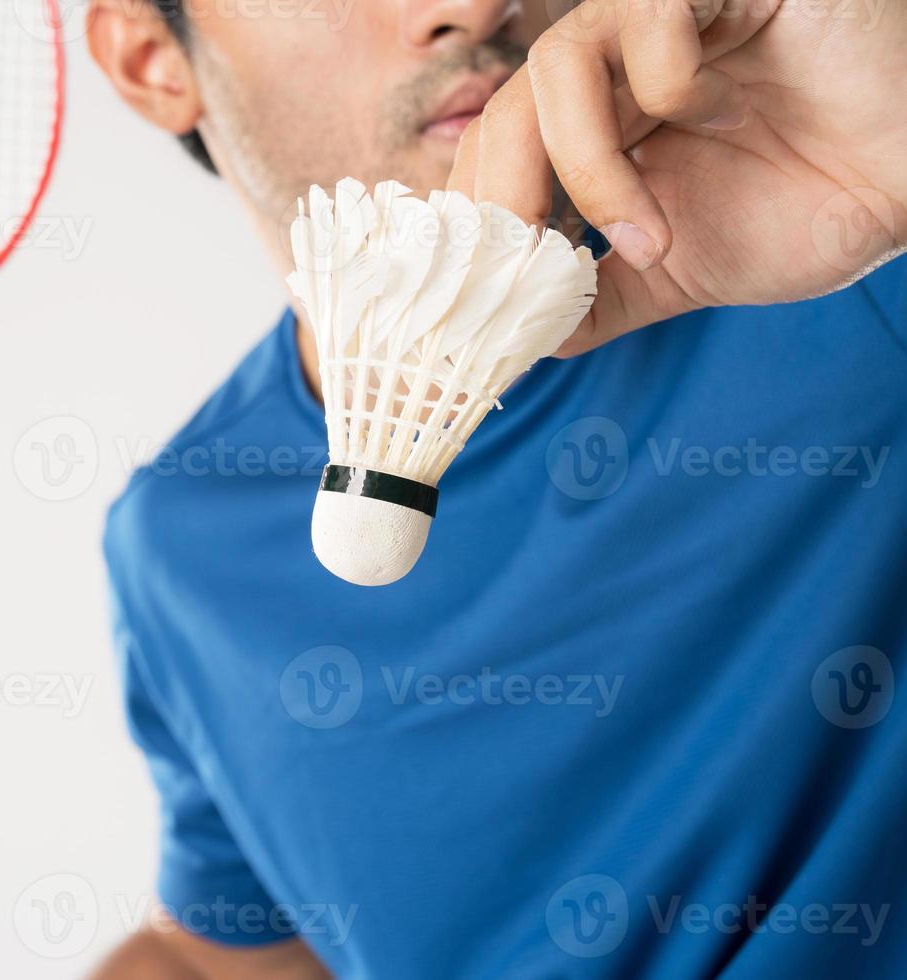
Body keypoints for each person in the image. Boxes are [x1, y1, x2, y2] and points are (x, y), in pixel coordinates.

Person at [85, 0, 906, 975]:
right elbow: (222, 947)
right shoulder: (177, 542)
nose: (472, 5)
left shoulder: (846, 232)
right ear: (151, 59)